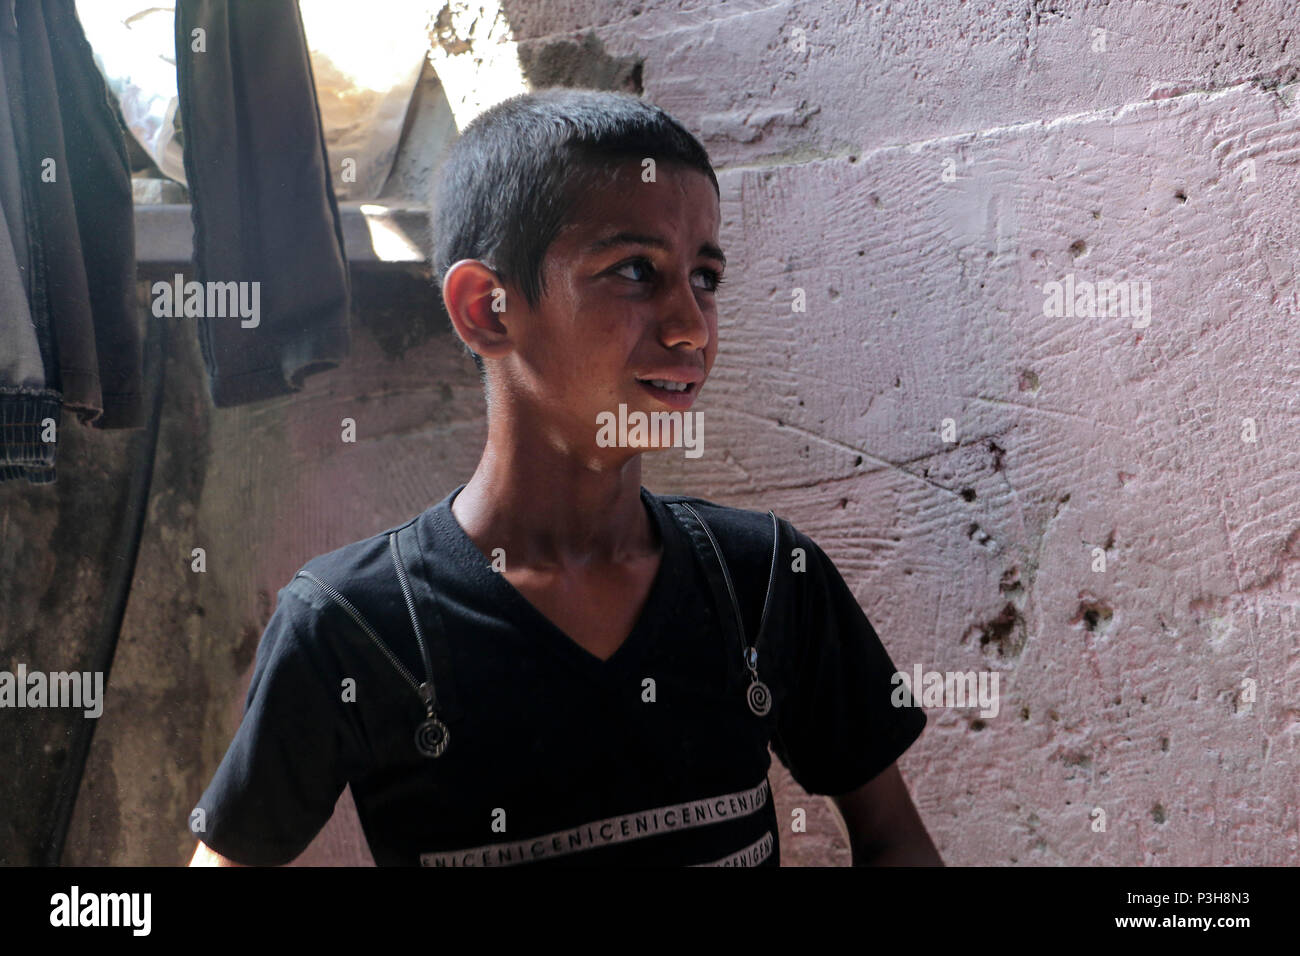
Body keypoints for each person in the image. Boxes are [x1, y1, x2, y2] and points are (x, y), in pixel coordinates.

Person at [189, 88, 941, 867]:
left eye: (705, 277)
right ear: (487, 308)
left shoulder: (766, 582)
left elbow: (893, 841)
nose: (690, 326)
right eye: (634, 272)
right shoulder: (357, 627)